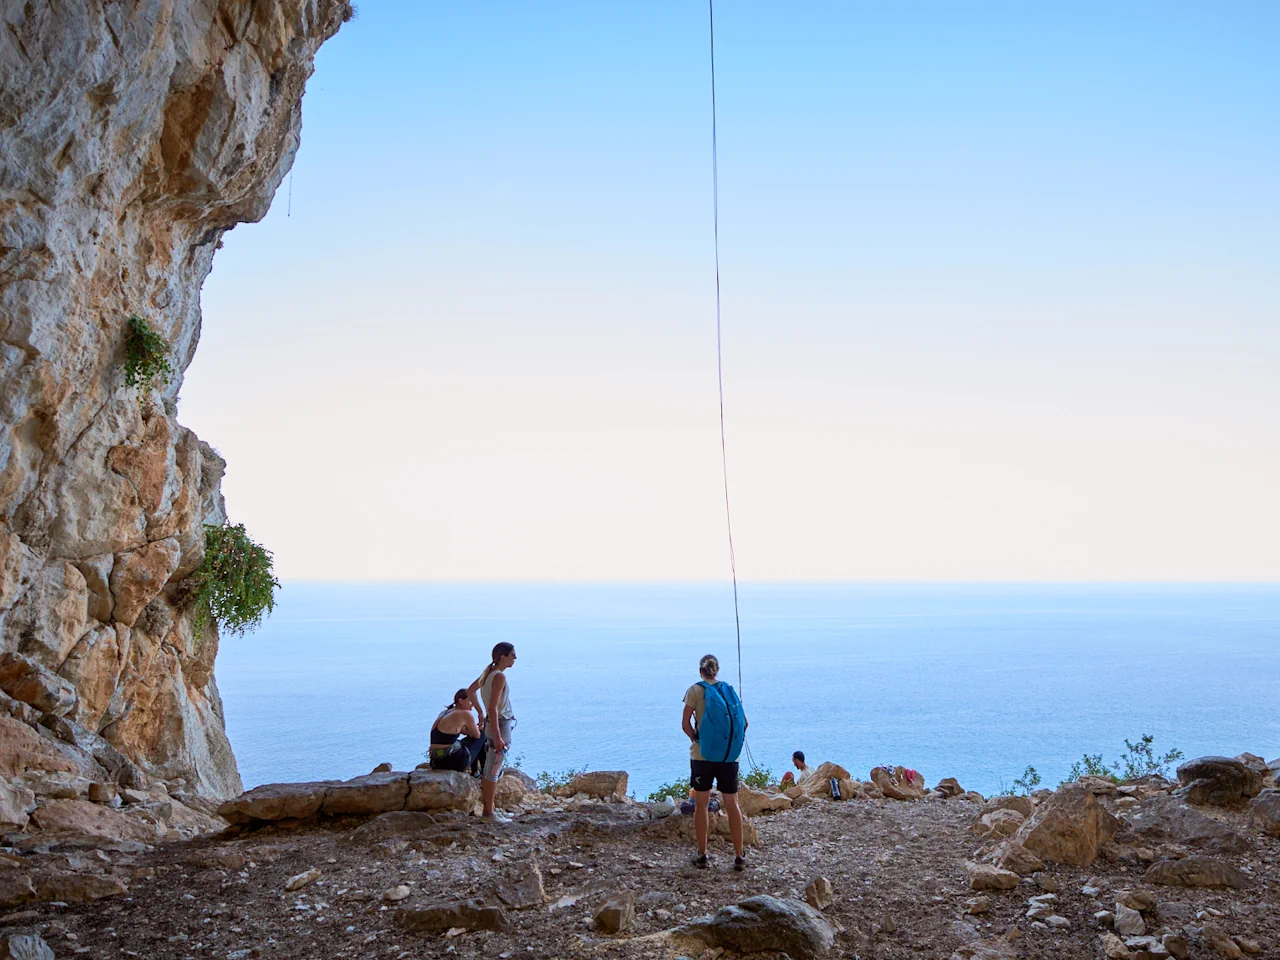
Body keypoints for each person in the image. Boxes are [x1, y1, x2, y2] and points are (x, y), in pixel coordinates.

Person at [681, 653, 748, 871]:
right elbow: (744, 723)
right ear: (716, 671)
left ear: (701, 671)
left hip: (702, 757)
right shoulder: (727, 689)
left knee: (701, 805)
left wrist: (696, 739)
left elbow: (685, 724)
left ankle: (702, 854)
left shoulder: (695, 690)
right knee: (732, 804)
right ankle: (739, 856)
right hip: (729, 757)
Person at [468, 642, 517, 822]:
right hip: (500, 725)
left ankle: (491, 809)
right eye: (512, 654)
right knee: (493, 769)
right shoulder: (499, 677)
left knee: (491, 767)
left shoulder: (488, 673)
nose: (515, 658)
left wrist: (480, 713)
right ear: (502, 656)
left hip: (492, 723)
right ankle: (488, 813)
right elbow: (494, 708)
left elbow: (471, 691)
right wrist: (497, 736)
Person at [428, 689, 486, 776]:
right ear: (460, 701)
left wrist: (474, 729)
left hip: (436, 761)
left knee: (468, 740)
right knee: (483, 735)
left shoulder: (445, 712)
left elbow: (464, 732)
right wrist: (482, 728)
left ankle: (476, 772)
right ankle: (484, 772)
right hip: (452, 761)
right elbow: (477, 736)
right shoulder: (465, 714)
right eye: (471, 701)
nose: (473, 705)